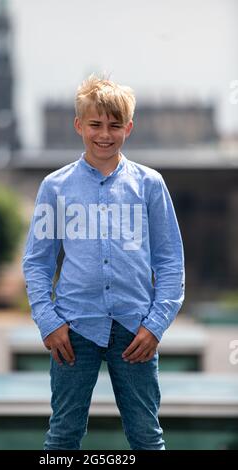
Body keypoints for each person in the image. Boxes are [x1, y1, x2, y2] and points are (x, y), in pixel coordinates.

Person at [22, 74, 185, 450]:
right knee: (62, 436)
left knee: (147, 435)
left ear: (129, 127)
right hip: (73, 329)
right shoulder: (55, 187)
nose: (104, 134)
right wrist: (49, 322)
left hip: (136, 330)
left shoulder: (150, 185)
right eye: (95, 124)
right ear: (79, 125)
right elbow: (37, 262)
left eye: (114, 125)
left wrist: (156, 325)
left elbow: (171, 261)